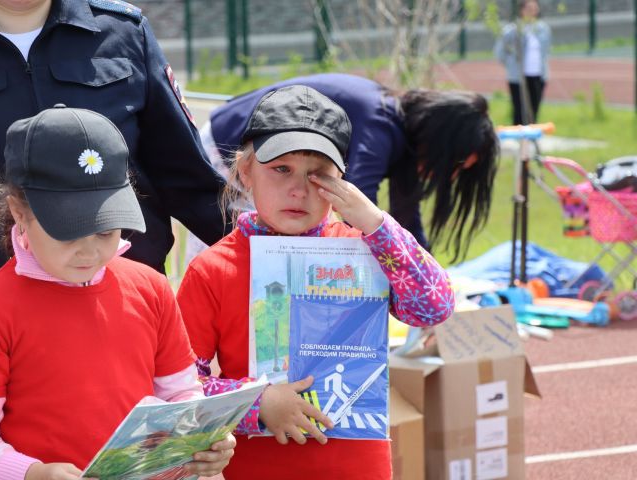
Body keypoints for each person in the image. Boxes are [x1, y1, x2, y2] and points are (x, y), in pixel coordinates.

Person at [0, 0, 227, 472]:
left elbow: (193, 186)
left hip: (125, 334)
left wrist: (283, 274)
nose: (86, 242)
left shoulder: (123, 32)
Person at [176, 85, 455, 479]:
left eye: (318, 174)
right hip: (259, 468)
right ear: (244, 172)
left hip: (360, 469)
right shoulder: (213, 269)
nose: (298, 189)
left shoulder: (365, 249)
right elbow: (183, 389)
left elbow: (434, 306)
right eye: (281, 169)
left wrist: (375, 222)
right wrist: (258, 403)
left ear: (341, 180)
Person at [200, 73, 499, 259]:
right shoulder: (380, 124)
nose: (451, 175)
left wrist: (424, 267)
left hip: (278, 167)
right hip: (228, 148)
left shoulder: (402, 135)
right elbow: (355, 205)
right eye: (457, 164)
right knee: (235, 262)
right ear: (442, 139)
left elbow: (406, 220)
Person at [494, 0, 551, 126]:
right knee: (519, 109)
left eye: (535, 8)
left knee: (534, 107)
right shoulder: (512, 30)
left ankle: (531, 137)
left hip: (537, 74)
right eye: (529, 8)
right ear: (522, 10)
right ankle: (519, 138)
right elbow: (500, 52)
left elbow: (546, 51)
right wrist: (511, 65)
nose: (532, 12)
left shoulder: (542, 29)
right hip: (518, 77)